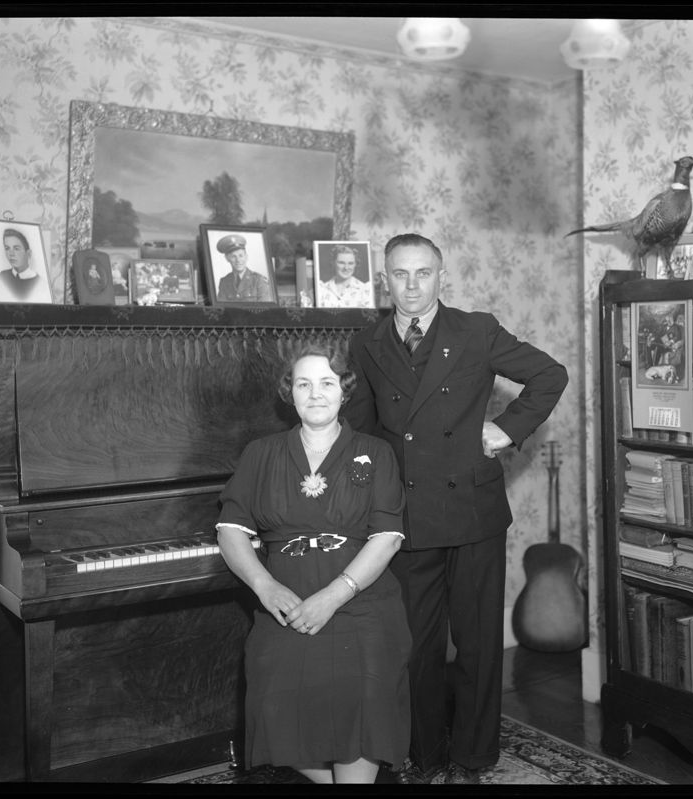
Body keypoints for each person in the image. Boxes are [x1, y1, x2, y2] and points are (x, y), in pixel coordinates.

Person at [343, 233, 568, 784]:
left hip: (472, 513)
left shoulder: (477, 330)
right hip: (407, 516)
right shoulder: (367, 342)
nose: (413, 285)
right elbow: (365, 432)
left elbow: (550, 375)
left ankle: (474, 755)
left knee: (478, 643)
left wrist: (505, 430)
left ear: (442, 276)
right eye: (401, 274)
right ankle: (427, 754)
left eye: (424, 273)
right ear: (386, 279)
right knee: (415, 646)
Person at [216, 343, 411, 784]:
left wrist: (332, 596)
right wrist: (266, 589)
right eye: (303, 383)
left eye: (327, 382)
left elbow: (386, 539)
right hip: (285, 607)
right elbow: (230, 532)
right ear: (290, 393)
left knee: (359, 695)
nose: (315, 393)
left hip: (361, 605)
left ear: (345, 391)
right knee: (273, 699)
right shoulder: (260, 453)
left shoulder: (375, 453)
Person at [216, 234, 272, 301]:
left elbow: (265, 308)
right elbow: (222, 307)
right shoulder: (224, 282)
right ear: (227, 258)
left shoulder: (259, 280)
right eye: (233, 256)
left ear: (246, 257)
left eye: (241, 255)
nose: (238, 260)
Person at [0, 228, 40, 298]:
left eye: (16, 248)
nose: (11, 254)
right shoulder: (3, 276)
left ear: (28, 254)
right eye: (7, 248)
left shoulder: (38, 282)